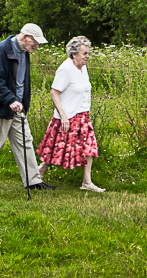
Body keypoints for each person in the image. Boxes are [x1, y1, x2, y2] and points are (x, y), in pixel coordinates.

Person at [0, 23, 55, 190]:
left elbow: (20, 81)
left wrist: (20, 103)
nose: (37, 46)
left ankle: (33, 181)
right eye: (35, 42)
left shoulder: (25, 51)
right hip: (0, 105)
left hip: (18, 107)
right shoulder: (3, 49)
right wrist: (10, 100)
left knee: (25, 141)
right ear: (25, 37)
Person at [36, 36, 104, 192]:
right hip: (67, 117)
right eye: (84, 53)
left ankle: (87, 182)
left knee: (89, 147)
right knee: (57, 148)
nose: (87, 56)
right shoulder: (66, 69)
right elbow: (54, 93)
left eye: (88, 53)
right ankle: (40, 171)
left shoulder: (83, 68)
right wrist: (63, 116)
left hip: (82, 116)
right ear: (74, 54)